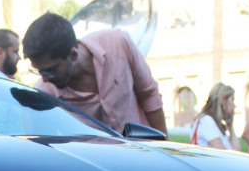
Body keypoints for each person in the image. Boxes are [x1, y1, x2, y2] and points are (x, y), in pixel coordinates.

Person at [23, 12, 166, 134]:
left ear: (73, 55)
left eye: (50, 70)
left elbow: (149, 95)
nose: (45, 78)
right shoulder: (45, 93)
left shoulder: (118, 44)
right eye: (39, 71)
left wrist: (165, 147)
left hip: (144, 154)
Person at [189, 83, 240, 151]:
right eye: (232, 100)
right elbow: (224, 155)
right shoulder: (206, 121)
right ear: (223, 100)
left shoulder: (217, 124)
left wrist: (230, 126)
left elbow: (238, 152)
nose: (234, 105)